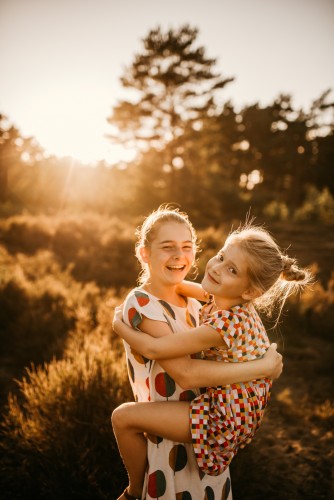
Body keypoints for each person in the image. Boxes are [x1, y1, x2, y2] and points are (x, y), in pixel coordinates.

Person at [112, 207, 284, 500]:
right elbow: (190, 289)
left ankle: (133, 492)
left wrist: (119, 325)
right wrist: (263, 368)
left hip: (214, 417)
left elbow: (178, 367)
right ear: (144, 253)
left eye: (187, 248)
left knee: (122, 418)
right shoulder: (215, 300)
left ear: (250, 291)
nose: (180, 256)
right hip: (219, 416)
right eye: (220, 258)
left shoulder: (222, 315)